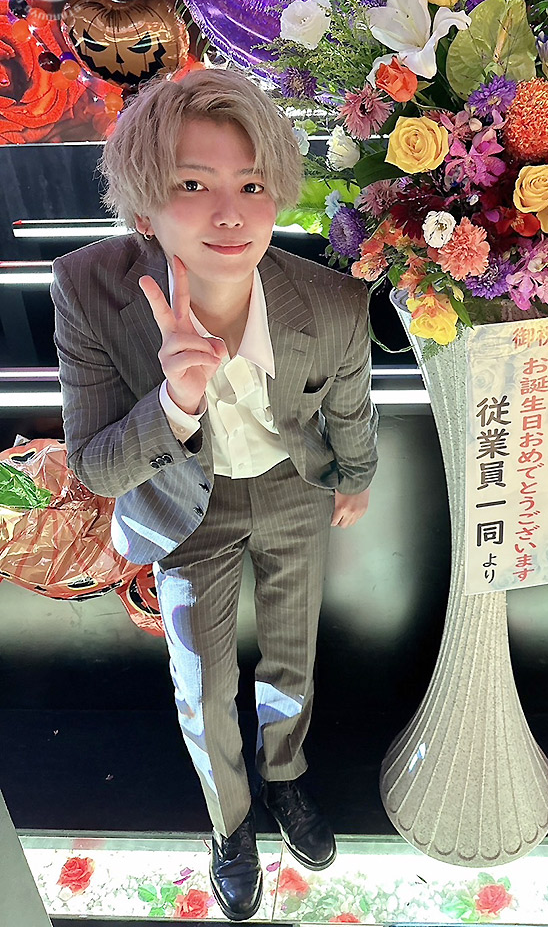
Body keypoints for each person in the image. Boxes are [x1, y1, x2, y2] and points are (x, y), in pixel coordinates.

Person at [50, 67, 378, 921]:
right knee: (200, 679)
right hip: (181, 500)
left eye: (252, 185)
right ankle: (229, 823)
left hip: (293, 488)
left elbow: (351, 407)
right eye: (193, 185)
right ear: (143, 206)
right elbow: (93, 468)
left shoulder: (333, 302)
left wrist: (356, 477)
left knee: (293, 652)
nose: (229, 214)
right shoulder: (89, 289)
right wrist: (175, 400)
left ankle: (286, 775)